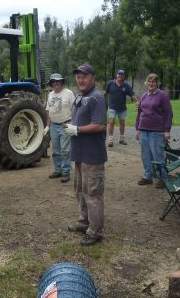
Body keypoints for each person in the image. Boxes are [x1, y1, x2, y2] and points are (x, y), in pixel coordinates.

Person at [63, 64, 107, 246]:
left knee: (92, 193)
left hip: (92, 155)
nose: (80, 80)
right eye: (78, 77)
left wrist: (77, 129)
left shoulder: (96, 98)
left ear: (93, 78)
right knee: (80, 190)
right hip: (80, 154)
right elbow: (77, 121)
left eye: (84, 77)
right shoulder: (80, 97)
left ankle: (95, 231)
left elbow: (100, 125)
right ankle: (84, 221)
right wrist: (68, 126)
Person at [134, 73, 173, 188]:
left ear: (157, 83)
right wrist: (137, 128)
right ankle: (147, 176)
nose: (151, 84)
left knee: (158, 156)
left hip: (157, 131)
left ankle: (163, 177)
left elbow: (168, 113)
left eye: (153, 82)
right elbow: (139, 112)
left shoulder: (162, 95)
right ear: (146, 83)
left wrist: (167, 130)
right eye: (149, 81)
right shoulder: (144, 96)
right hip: (143, 130)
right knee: (145, 155)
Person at [45, 73, 75, 183]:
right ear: (51, 84)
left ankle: (66, 172)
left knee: (65, 150)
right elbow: (48, 111)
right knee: (56, 150)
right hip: (53, 125)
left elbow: (75, 109)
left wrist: (73, 124)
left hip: (65, 124)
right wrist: (47, 126)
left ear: (62, 82)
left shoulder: (68, 93)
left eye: (58, 81)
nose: (56, 83)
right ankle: (58, 170)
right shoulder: (50, 94)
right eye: (53, 81)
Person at [105, 69, 138, 147]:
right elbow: (105, 93)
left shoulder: (126, 85)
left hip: (122, 107)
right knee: (111, 121)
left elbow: (132, 94)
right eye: (119, 74)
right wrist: (101, 100)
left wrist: (137, 101)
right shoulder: (110, 83)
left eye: (122, 75)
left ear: (124, 76)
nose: (120, 76)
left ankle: (122, 139)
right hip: (112, 106)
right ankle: (110, 140)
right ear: (117, 75)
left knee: (122, 122)